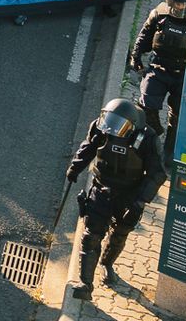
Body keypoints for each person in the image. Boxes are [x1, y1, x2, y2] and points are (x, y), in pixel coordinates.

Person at [66, 98, 165, 299]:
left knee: (119, 234)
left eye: (119, 125)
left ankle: (107, 264)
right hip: (101, 189)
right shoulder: (102, 127)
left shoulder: (148, 139)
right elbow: (89, 147)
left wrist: (140, 201)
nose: (112, 129)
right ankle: (85, 285)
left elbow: (157, 174)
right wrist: (75, 168)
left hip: (129, 195)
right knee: (91, 236)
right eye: (109, 121)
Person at [129, 0, 186, 155]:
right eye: (176, 4)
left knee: (179, 116)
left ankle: (170, 152)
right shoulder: (159, 15)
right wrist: (136, 57)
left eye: (184, 5)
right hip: (158, 68)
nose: (179, 8)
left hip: (185, 75)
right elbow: (144, 35)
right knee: (145, 106)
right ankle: (154, 135)